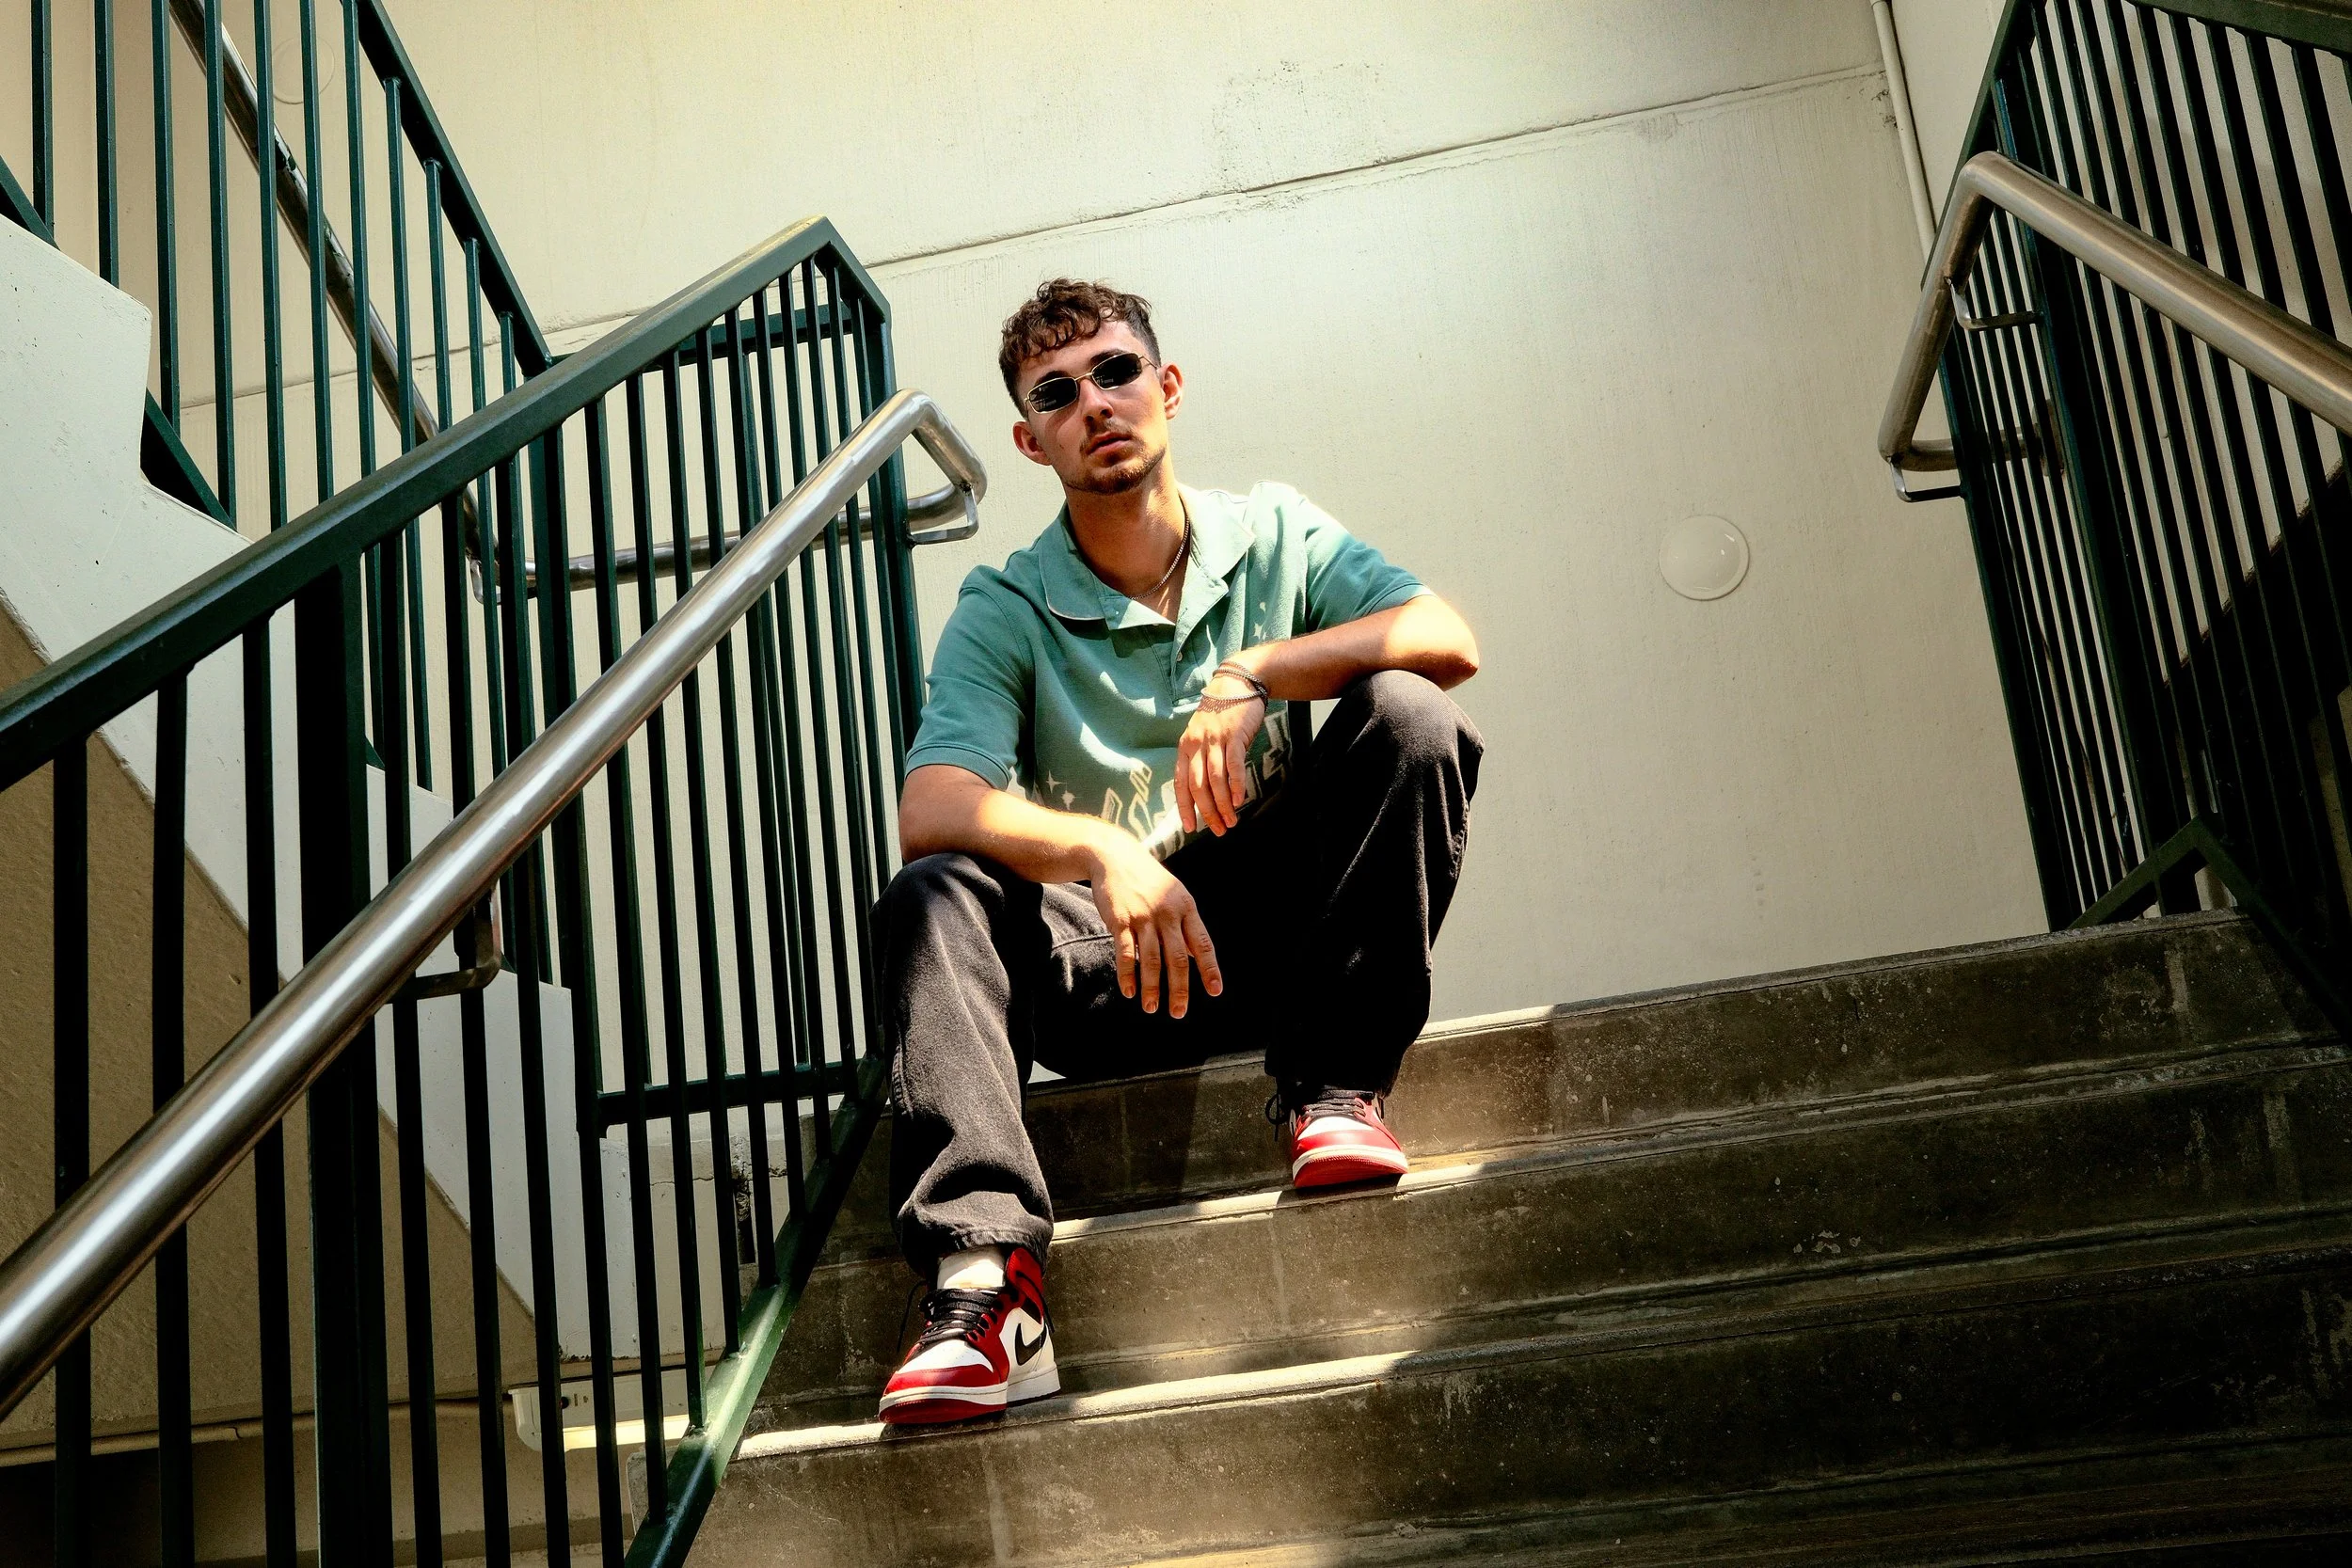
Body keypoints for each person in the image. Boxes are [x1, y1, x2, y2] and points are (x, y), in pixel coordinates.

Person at [873, 278, 1484, 1425]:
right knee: (937, 886)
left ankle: (1338, 1089)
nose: (1094, 404)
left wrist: (1260, 670)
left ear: (1167, 384)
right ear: (1029, 437)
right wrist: (1102, 847)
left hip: (1279, 947)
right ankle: (985, 1281)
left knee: (1406, 711)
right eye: (1057, 393)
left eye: (1114, 372)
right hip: (1108, 974)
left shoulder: (1272, 531)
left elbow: (1444, 637)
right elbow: (935, 798)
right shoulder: (1005, 601)